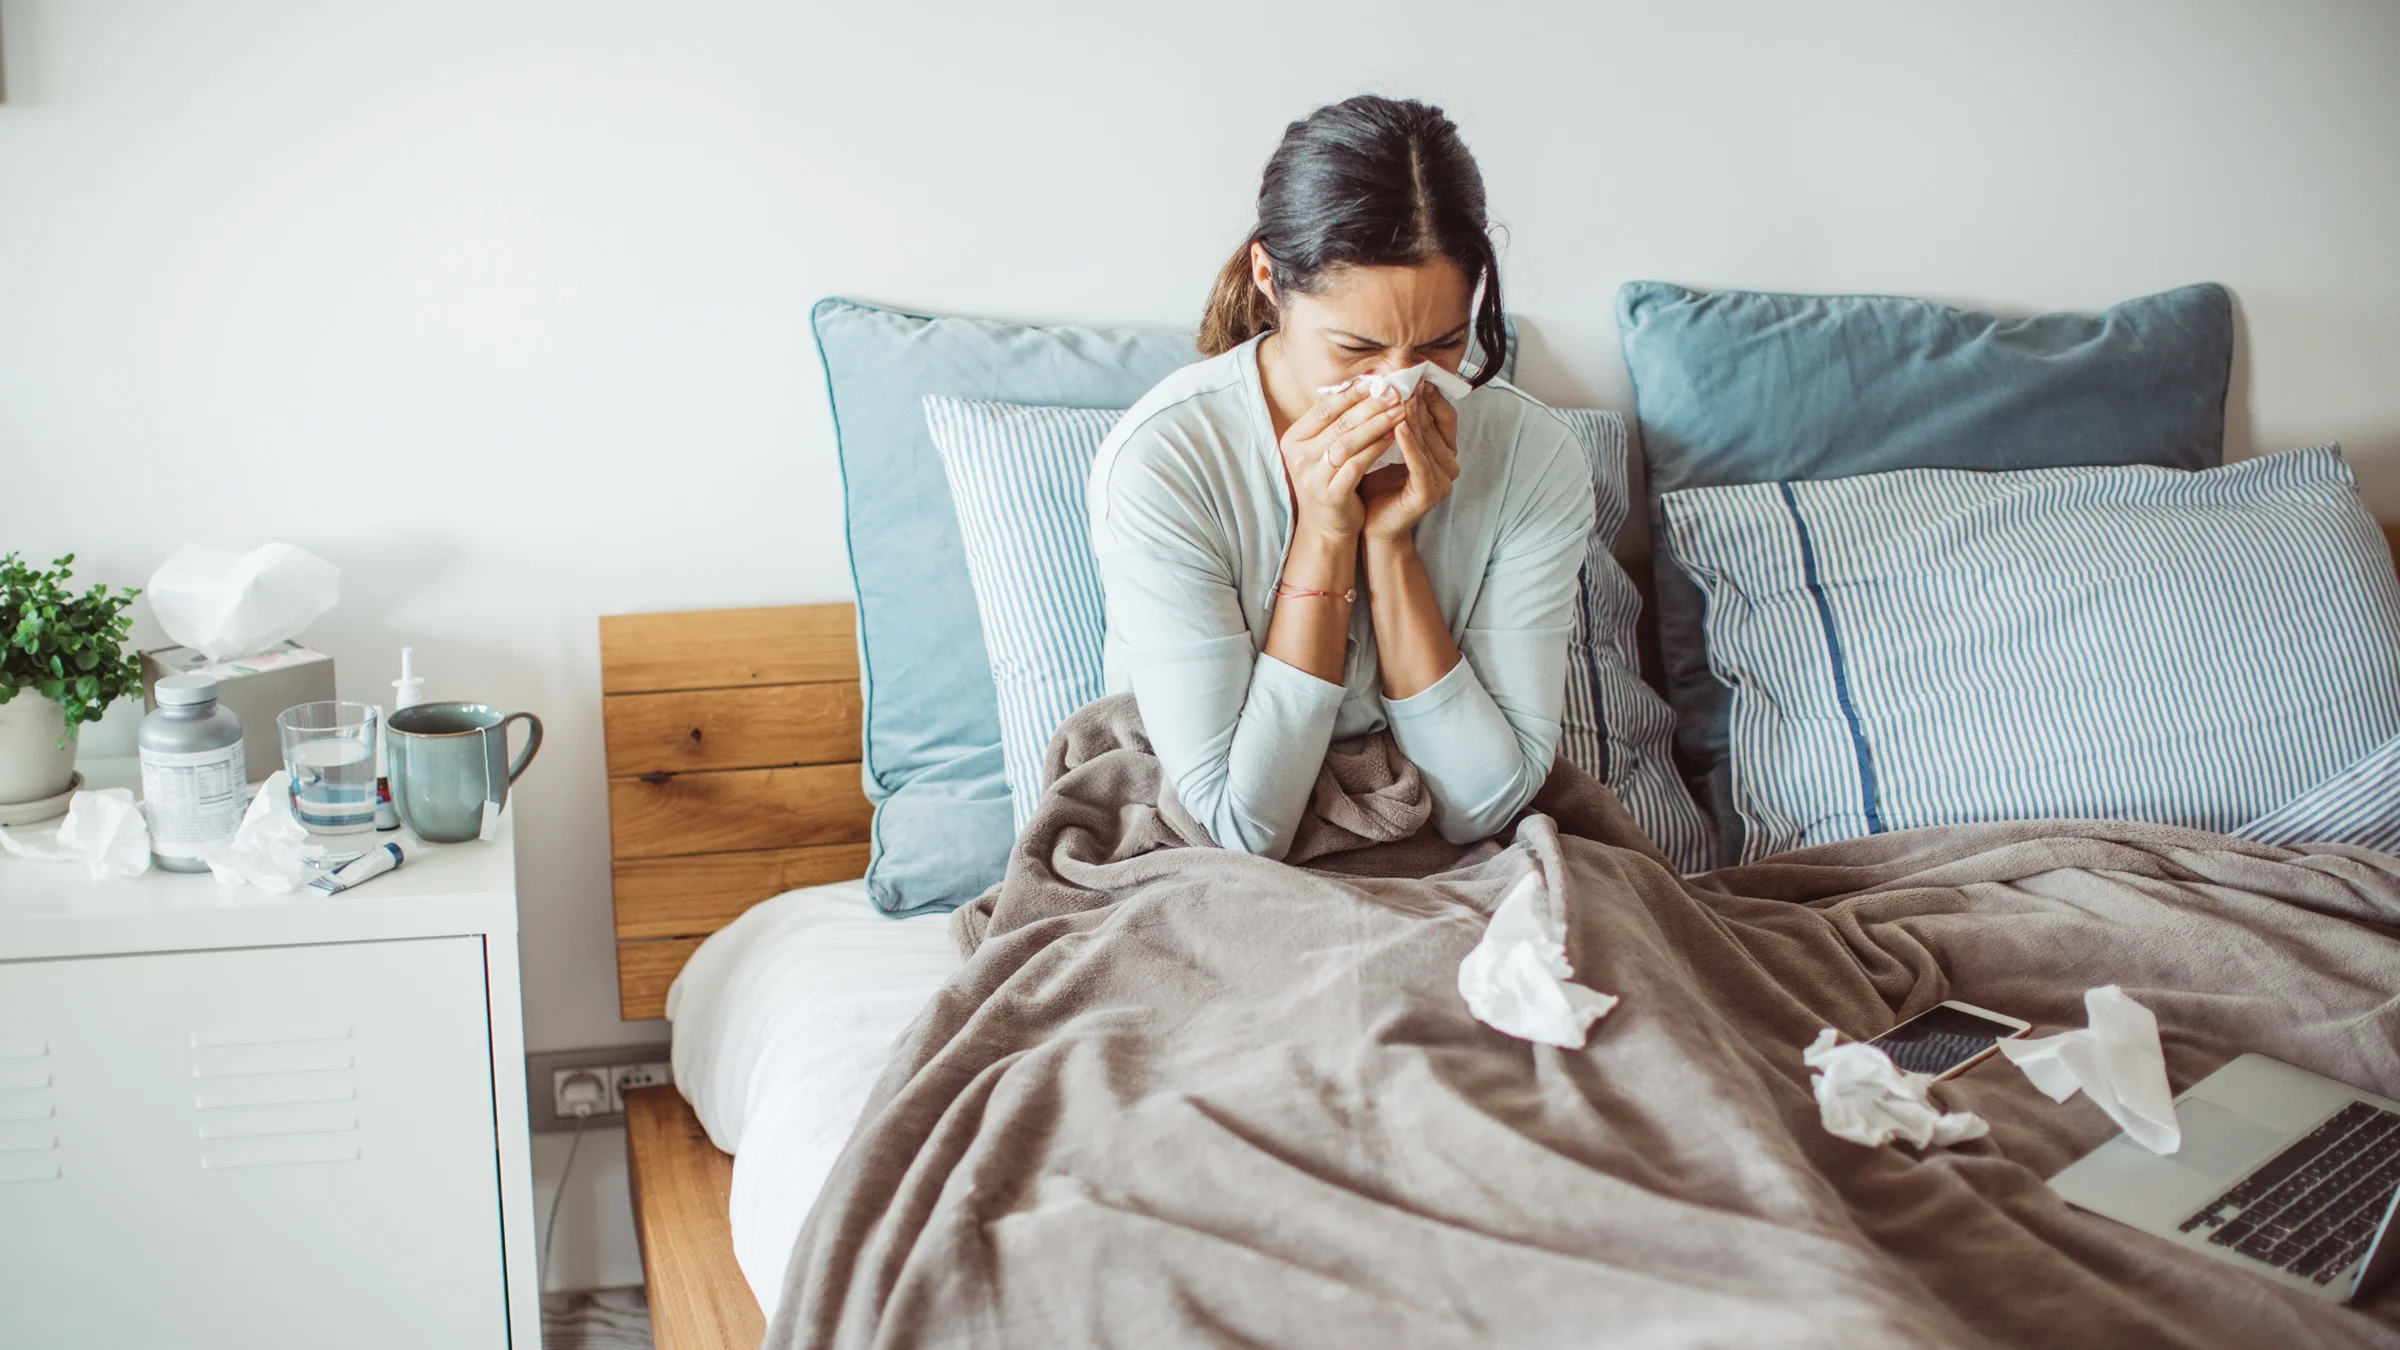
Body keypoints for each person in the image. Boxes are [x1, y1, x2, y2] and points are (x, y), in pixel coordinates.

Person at [1087, 94, 1594, 860]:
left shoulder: (1533, 455)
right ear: (1267, 275)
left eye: (1443, 344)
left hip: (1450, 858)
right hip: (1210, 865)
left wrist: (1391, 551)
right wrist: (1325, 534)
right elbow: (1240, 826)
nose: (1401, 385)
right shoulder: (1169, 461)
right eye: (1357, 348)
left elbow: (1484, 805)